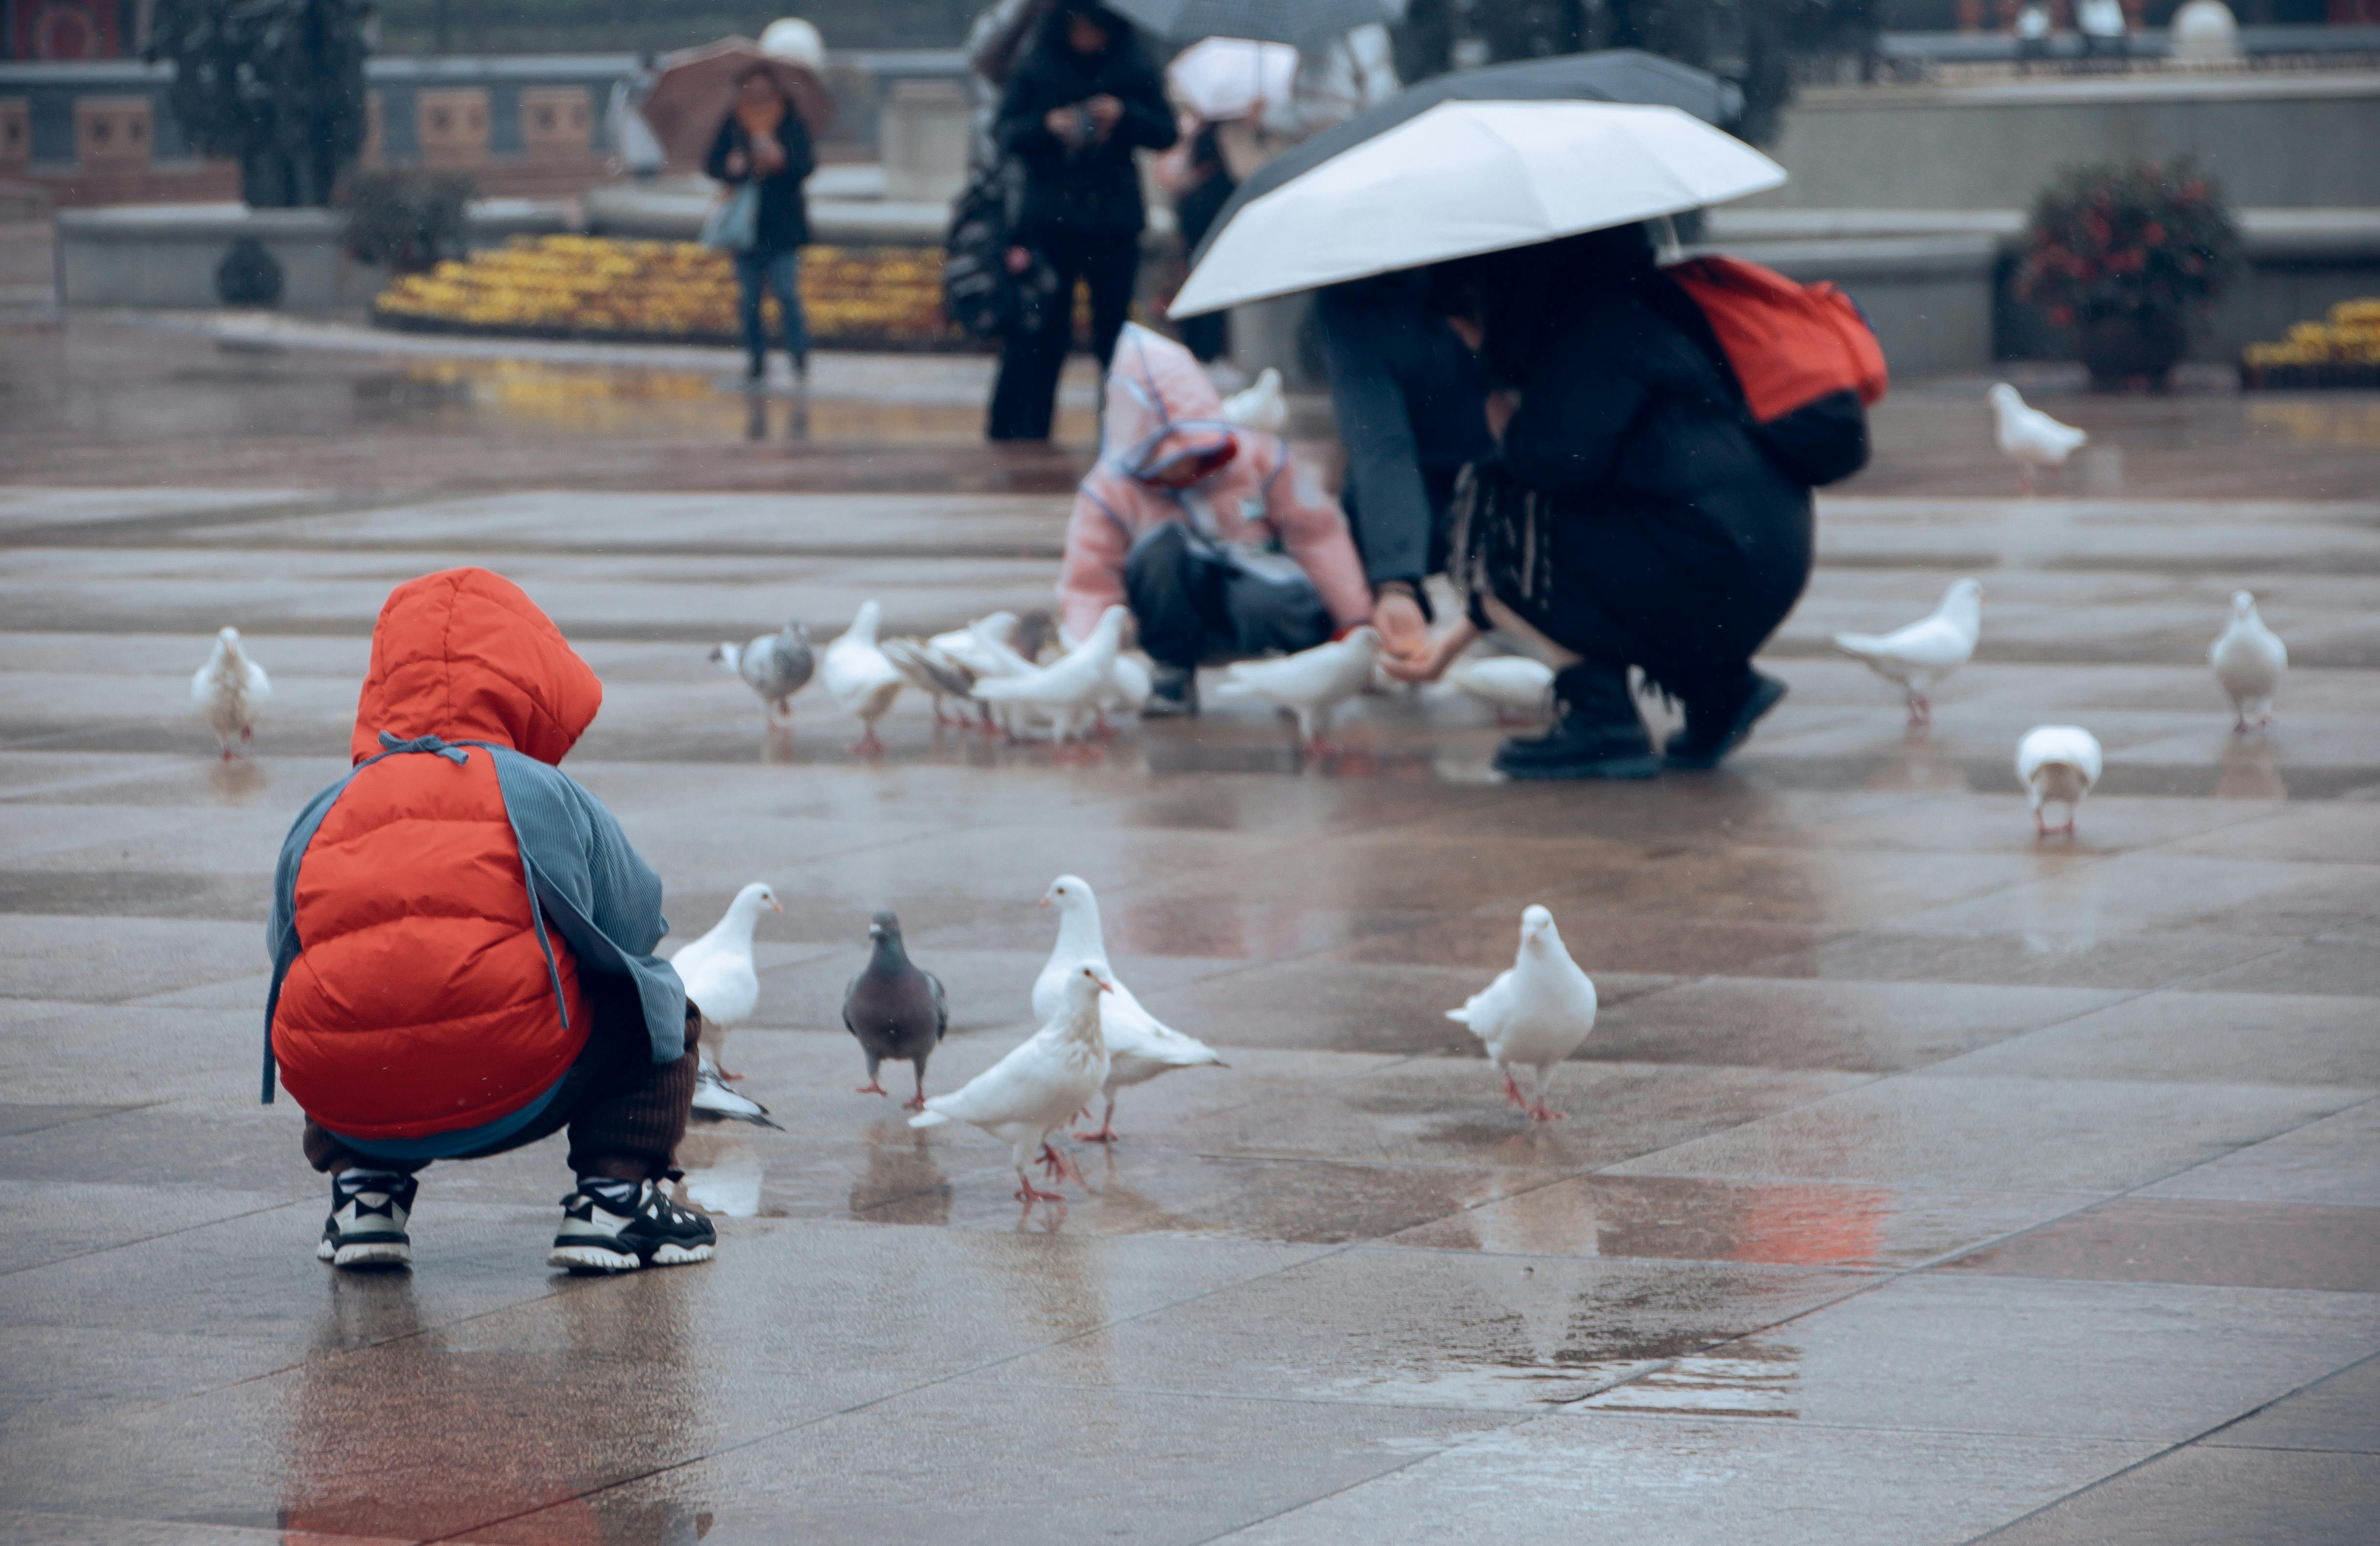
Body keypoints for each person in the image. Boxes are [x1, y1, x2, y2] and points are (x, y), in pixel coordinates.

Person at [265, 567, 714, 1275]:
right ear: (528, 682)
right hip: (513, 1084)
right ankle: (611, 1204)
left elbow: (285, 952)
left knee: (350, 1002)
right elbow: (634, 919)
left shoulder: (328, 806)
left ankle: (364, 1197)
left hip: (355, 1101)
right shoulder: (537, 790)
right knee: (659, 1000)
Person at [1386, 223, 1814, 779]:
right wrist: (1451, 644)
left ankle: (1599, 721)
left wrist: (1507, 428)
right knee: (1597, 535)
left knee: (1499, 512)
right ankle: (1715, 691)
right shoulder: (1643, 307)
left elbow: (1556, 470)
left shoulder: (1590, 333)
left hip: (1711, 563)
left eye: (1464, 325)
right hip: (1762, 554)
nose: (1467, 342)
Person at [1060, 324, 1373, 714]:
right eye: (1163, 458)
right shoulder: (1110, 491)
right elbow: (1090, 585)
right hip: (1178, 614)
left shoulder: (1258, 457)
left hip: (1260, 600)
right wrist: (1088, 663)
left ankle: (1304, 664)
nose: (1182, 466)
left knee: (1276, 596)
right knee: (1162, 549)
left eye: (1190, 450)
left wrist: (1354, 620)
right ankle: (1174, 670)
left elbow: (1318, 536)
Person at [986, 4, 1176, 442]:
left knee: (1115, 335)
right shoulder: (1038, 60)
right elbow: (1006, 131)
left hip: (1114, 217)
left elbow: (1165, 131)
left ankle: (1120, 436)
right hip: (1052, 218)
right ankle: (1033, 437)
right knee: (1046, 336)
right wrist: (1049, 126)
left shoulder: (1133, 60)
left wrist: (1123, 116)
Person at [1314, 270, 1496, 667]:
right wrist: (1397, 581)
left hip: (1513, 466)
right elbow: (1382, 445)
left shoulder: (1510, 271)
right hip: (1417, 486)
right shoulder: (1355, 303)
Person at [706, 65, 818, 381]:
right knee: (750, 300)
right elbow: (712, 164)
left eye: (763, 90)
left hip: (782, 226)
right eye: (751, 89)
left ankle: (799, 354)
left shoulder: (790, 121)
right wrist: (733, 167)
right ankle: (756, 357)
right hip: (746, 229)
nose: (757, 96)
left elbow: (806, 165)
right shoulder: (733, 122)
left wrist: (782, 160)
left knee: (786, 293)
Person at [606, 52, 666, 178]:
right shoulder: (630, 83)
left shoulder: (658, 82)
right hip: (635, 125)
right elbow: (618, 110)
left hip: (651, 135)